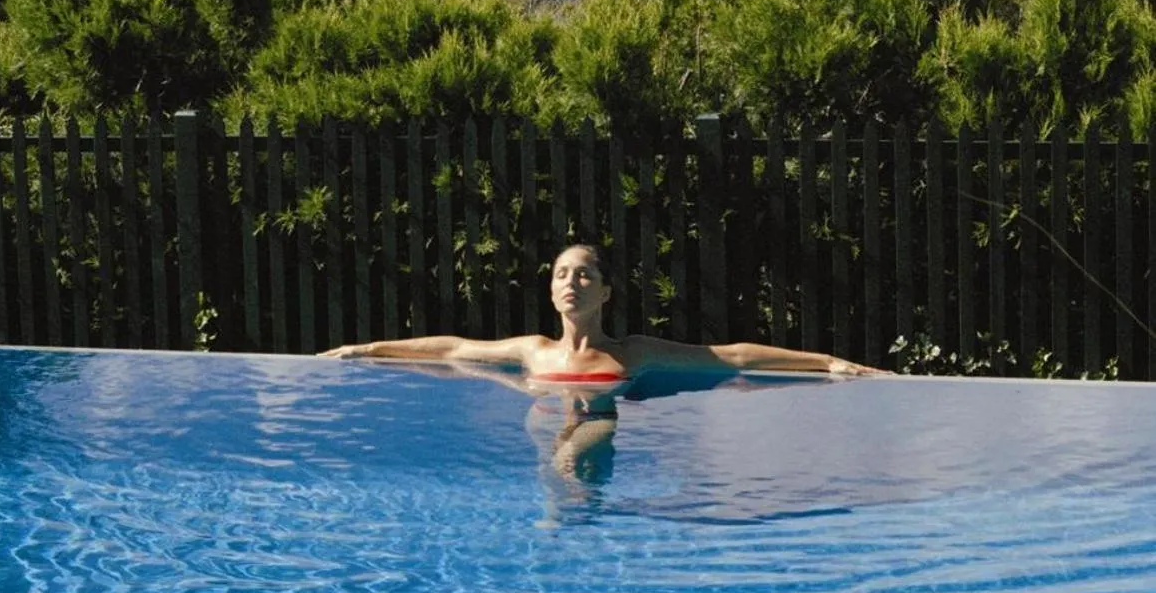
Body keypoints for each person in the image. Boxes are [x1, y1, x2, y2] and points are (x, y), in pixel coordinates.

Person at [320, 242, 885, 379]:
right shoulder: (532, 351)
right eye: (562, 274)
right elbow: (449, 350)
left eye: (584, 273)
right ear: (551, 291)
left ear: (606, 292)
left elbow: (730, 357)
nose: (572, 282)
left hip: (595, 421)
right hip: (545, 421)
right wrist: (368, 349)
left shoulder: (631, 352)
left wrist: (826, 361)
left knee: (581, 443)